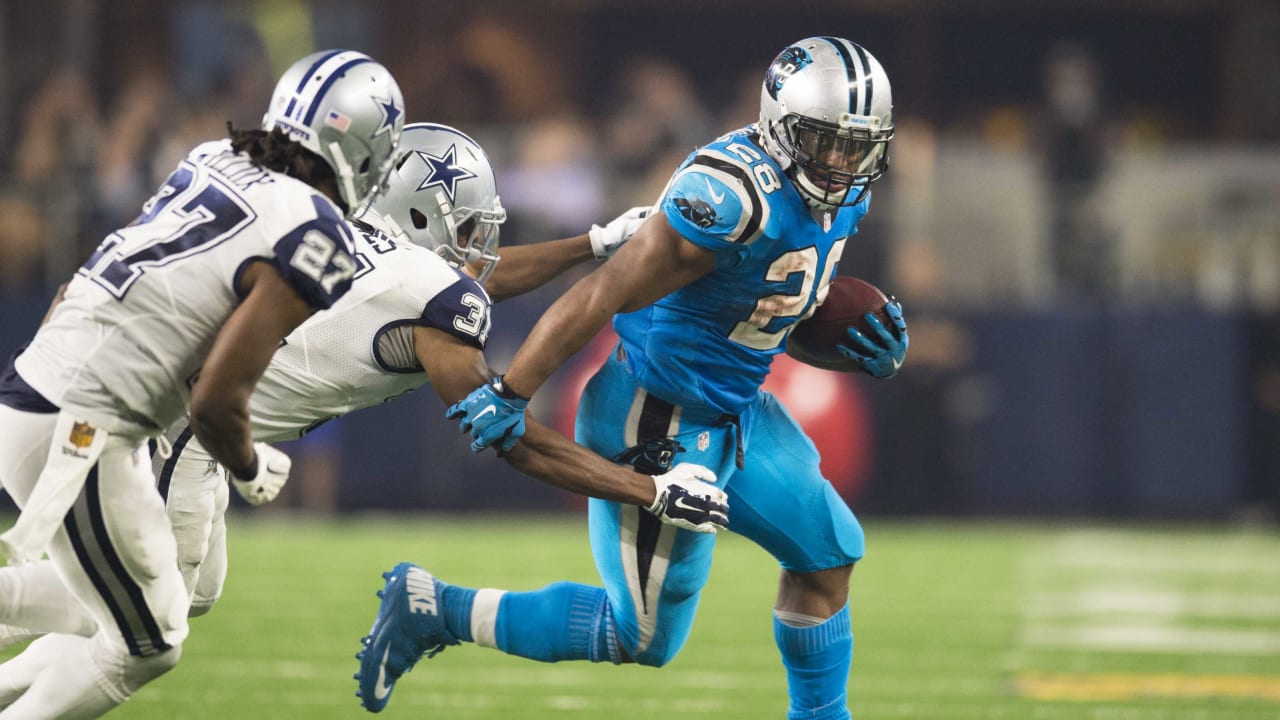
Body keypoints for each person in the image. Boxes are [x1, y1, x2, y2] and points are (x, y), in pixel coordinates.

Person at [0, 123, 726, 702]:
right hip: (181, 429)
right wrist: (651, 491)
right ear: (419, 213)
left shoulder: (360, 244)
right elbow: (510, 437)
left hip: (174, 416)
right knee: (148, 632)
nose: (482, 245)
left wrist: (594, 244)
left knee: (169, 599)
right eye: (469, 227)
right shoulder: (430, 297)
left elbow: (466, 285)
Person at [371, 38, 910, 720]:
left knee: (828, 556)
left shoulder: (843, 197)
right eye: (824, 142)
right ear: (781, 126)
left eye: (857, 146)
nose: (841, 164)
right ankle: (435, 609)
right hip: (657, 416)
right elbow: (604, 291)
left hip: (736, 411)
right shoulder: (733, 196)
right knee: (641, 637)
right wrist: (512, 390)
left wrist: (858, 349)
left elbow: (770, 315)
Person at [0, 49, 405, 717]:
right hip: (80, 423)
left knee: (133, 601)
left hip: (43, 389)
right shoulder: (320, 232)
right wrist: (250, 466)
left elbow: (85, 283)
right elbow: (216, 397)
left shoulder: (213, 157)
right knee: (149, 641)